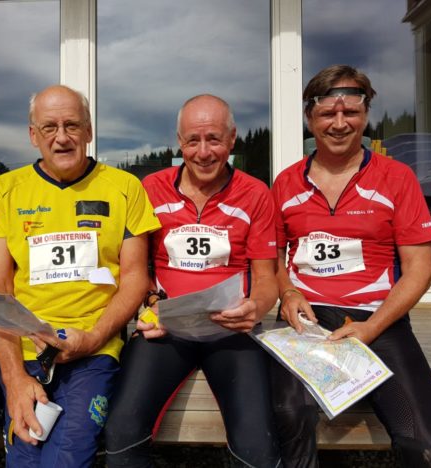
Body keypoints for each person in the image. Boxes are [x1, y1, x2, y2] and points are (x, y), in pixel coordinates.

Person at [271, 64, 431, 467]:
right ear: (309, 118)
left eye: (350, 112)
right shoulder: (285, 182)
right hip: (308, 321)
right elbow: (273, 257)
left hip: (377, 319)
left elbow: (420, 267)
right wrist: (288, 291)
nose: (339, 124)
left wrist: (372, 328)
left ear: (366, 114)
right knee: (290, 414)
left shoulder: (397, 178)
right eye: (327, 114)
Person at [0, 85, 160, 467]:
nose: (61, 137)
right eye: (49, 127)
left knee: (68, 458)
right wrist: (13, 379)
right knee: (25, 460)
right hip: (25, 352)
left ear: (89, 131)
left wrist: (93, 338)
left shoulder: (125, 188)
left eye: (72, 125)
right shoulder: (5, 190)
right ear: (33, 135)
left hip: (94, 351)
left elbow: (135, 279)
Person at [104, 94, 281, 468]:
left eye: (214, 139)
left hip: (231, 330)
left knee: (258, 450)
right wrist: (150, 303)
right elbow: (135, 268)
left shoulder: (256, 194)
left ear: (232, 138)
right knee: (120, 435)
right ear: (179, 142)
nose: (203, 152)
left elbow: (267, 278)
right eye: (192, 141)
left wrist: (256, 307)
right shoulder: (151, 189)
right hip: (167, 328)